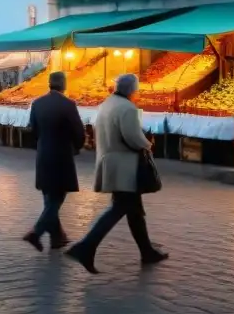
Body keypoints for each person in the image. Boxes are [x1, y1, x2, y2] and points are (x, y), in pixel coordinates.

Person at [66, 74, 168, 274]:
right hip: (125, 167)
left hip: (111, 163)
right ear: (132, 90)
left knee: (134, 211)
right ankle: (85, 247)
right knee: (120, 208)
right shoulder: (127, 108)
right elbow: (132, 137)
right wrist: (148, 144)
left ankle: (147, 251)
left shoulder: (107, 104)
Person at [23, 72, 85, 252]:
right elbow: (79, 132)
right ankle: (36, 232)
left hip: (43, 154)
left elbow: (33, 130)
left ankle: (58, 237)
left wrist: (40, 143)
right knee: (57, 198)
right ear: (63, 84)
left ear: (49, 84)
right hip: (62, 156)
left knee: (49, 195)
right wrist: (77, 147)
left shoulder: (37, 103)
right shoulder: (68, 105)